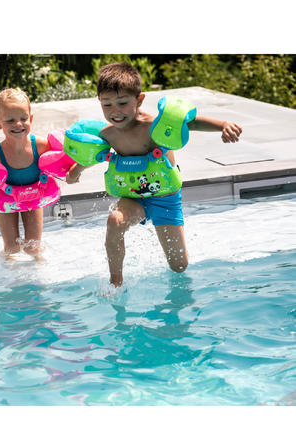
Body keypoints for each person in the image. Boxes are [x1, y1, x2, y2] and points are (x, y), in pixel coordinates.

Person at [67, 62, 242, 287]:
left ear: (139, 100)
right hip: (133, 197)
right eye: (107, 104)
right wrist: (76, 171)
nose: (115, 111)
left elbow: (191, 123)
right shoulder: (108, 134)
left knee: (179, 266)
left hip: (165, 198)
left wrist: (223, 125)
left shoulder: (155, 127)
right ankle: (115, 283)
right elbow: (94, 155)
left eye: (122, 103)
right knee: (114, 221)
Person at [0, 88, 49, 260]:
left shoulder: (41, 146)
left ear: (31, 119)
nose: (18, 124)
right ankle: (6, 266)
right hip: (6, 200)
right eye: (10, 120)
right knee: (12, 248)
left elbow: (61, 165)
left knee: (33, 248)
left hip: (32, 197)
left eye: (23, 118)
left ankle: (40, 267)